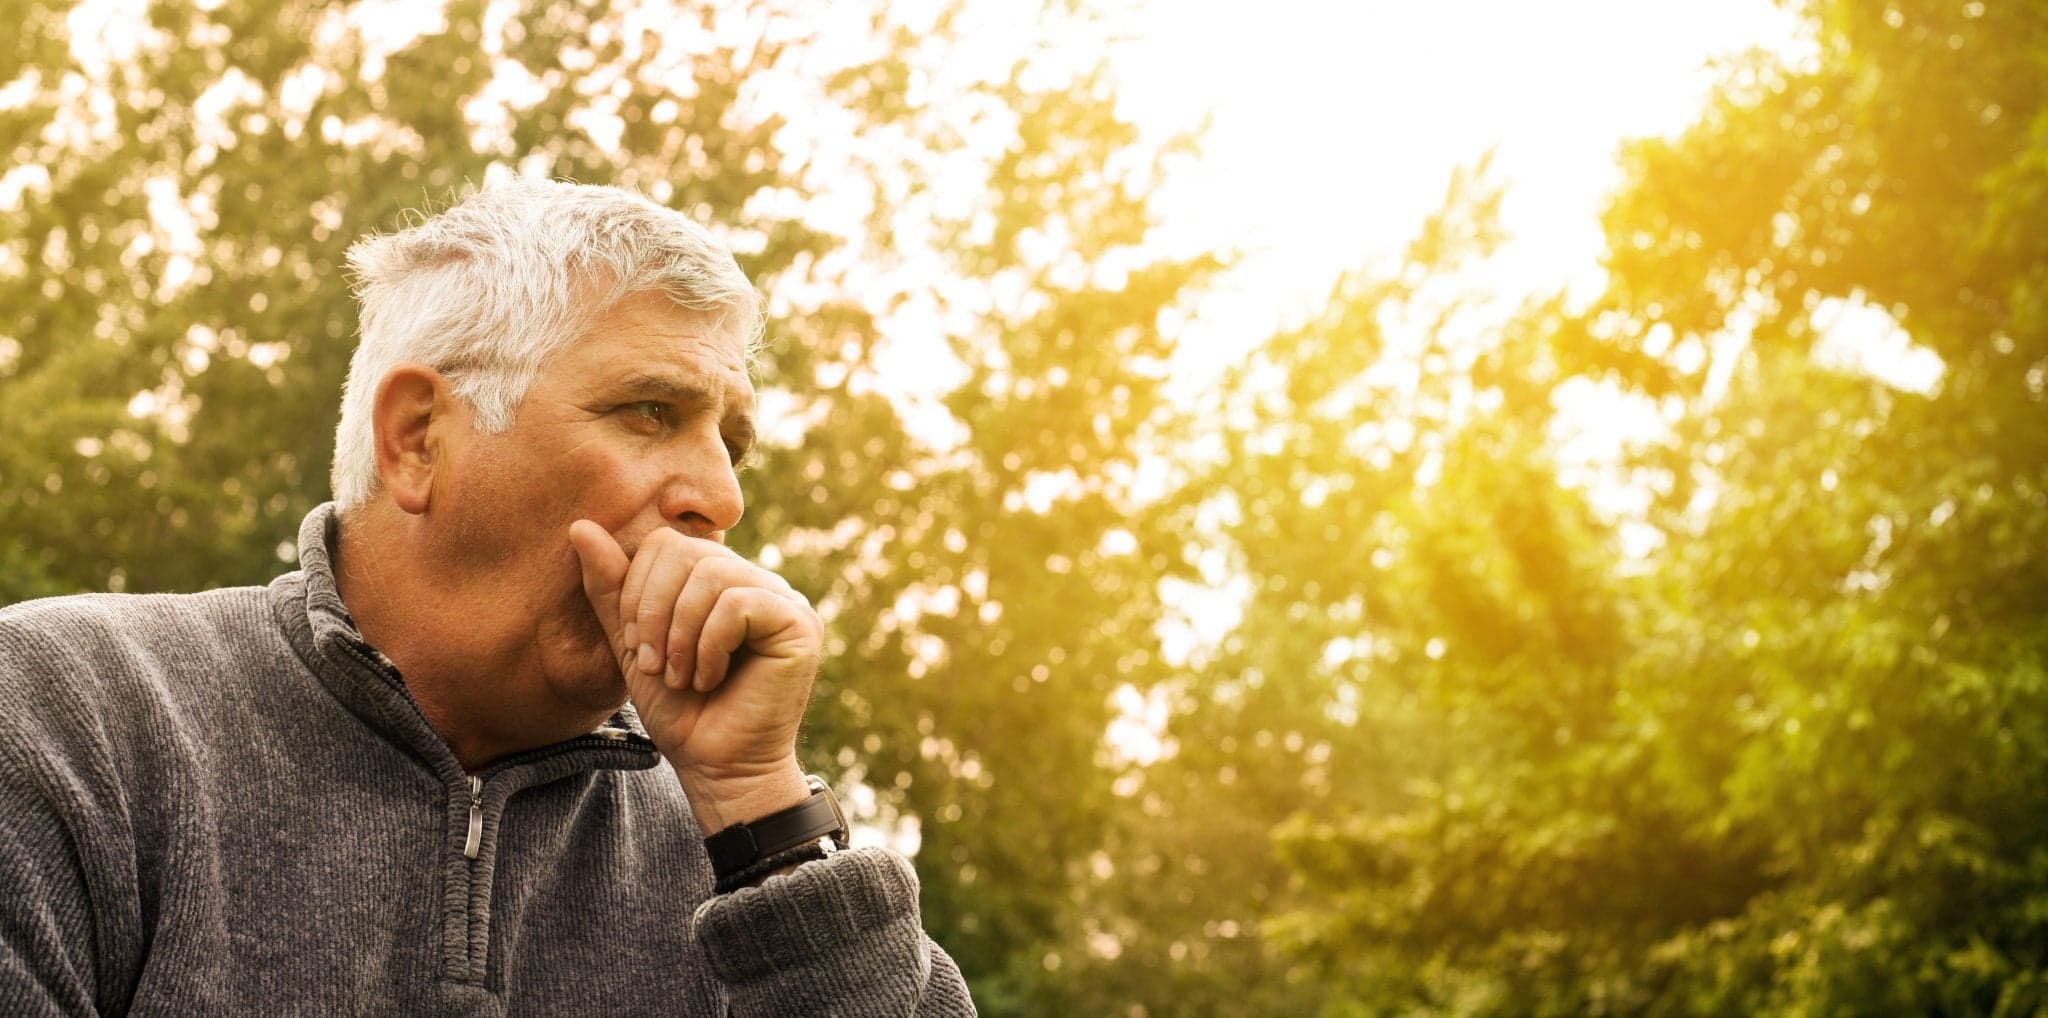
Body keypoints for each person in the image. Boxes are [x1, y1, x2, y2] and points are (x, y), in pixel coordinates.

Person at [0, 180, 977, 1015]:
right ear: (419, 437)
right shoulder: (64, 717)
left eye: (732, 443)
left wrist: (762, 816)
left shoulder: (731, 847)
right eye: (651, 412)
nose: (721, 497)